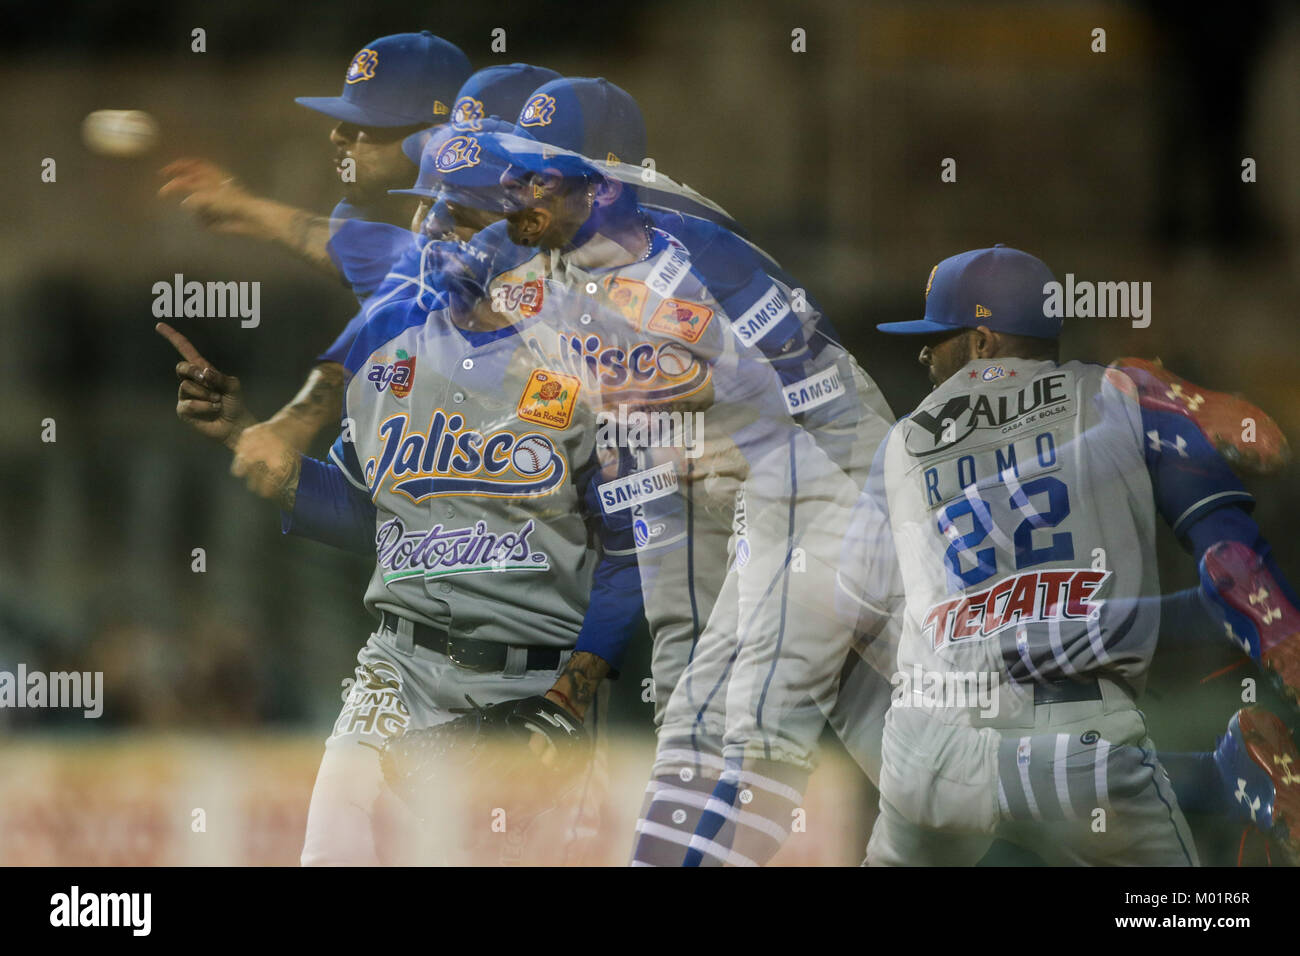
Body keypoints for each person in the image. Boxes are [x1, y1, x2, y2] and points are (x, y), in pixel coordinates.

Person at [860, 244, 1300, 864]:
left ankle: (1217, 778)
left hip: (939, 746)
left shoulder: (899, 446)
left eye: (941, 336)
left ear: (982, 341)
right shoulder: (1117, 396)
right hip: (1091, 739)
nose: (926, 353)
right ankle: (1218, 776)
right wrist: (1272, 618)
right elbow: (1221, 542)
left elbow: (847, 598)